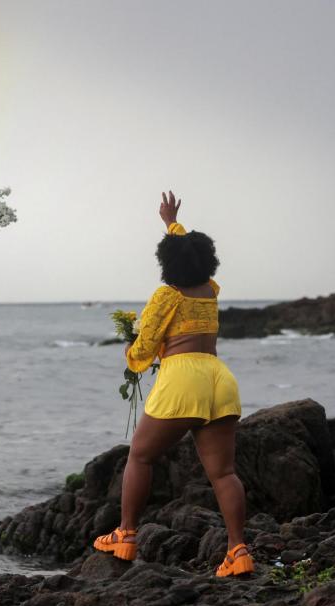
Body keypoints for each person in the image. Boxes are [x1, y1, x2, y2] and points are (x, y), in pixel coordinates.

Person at [93, 191, 254, 577]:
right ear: (206, 262)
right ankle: (238, 552)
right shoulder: (210, 291)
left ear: (167, 264)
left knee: (141, 456)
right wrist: (172, 224)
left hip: (183, 379)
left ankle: (127, 535)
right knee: (224, 473)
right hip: (219, 378)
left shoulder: (167, 295)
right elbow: (190, 256)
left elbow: (145, 348)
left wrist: (131, 355)